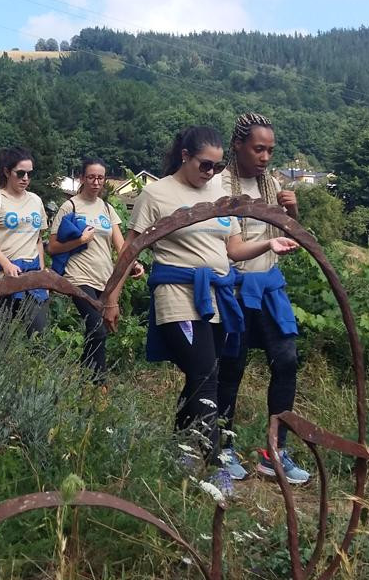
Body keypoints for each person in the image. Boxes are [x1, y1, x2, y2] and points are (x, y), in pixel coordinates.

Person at [103, 125, 298, 492]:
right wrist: (110, 298)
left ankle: (180, 448)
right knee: (205, 373)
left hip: (218, 299)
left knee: (202, 375)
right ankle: (214, 465)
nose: (210, 172)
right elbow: (130, 249)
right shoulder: (157, 193)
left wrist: (269, 247)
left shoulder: (220, 194)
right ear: (185, 157)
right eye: (204, 165)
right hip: (178, 294)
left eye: (216, 165)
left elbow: (234, 249)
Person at [216, 111, 310, 485]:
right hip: (234, 289)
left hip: (269, 287)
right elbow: (229, 246)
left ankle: (275, 451)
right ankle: (221, 446)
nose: (265, 157)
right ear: (238, 145)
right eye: (259, 149)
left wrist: (292, 212)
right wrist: (268, 241)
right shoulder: (220, 185)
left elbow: (294, 236)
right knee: (231, 369)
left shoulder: (271, 185)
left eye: (270, 150)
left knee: (286, 360)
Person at [48, 156, 144, 383]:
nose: (96, 182)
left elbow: (121, 246)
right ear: (82, 178)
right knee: (97, 329)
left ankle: (85, 382)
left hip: (104, 278)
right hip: (78, 276)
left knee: (97, 332)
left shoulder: (107, 209)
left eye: (100, 177)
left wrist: (134, 264)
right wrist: (81, 240)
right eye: (91, 177)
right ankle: (98, 384)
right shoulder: (69, 206)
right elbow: (52, 247)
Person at [0, 147, 48, 335]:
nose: (25, 178)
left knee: (37, 334)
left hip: (31, 275)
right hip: (0, 274)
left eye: (29, 174)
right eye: (20, 173)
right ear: (7, 172)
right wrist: (6, 265)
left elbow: (38, 239)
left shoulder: (36, 201)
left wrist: (41, 271)